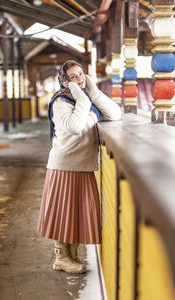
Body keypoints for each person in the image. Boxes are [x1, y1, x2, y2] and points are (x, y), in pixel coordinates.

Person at [37, 60, 121, 274]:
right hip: (64, 164)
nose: (79, 79)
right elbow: (74, 127)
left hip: (82, 165)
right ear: (64, 81)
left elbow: (115, 114)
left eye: (81, 74)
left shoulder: (88, 100)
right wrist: (81, 96)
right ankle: (61, 257)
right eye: (73, 76)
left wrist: (93, 92)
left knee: (75, 212)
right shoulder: (61, 101)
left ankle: (71, 255)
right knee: (62, 211)